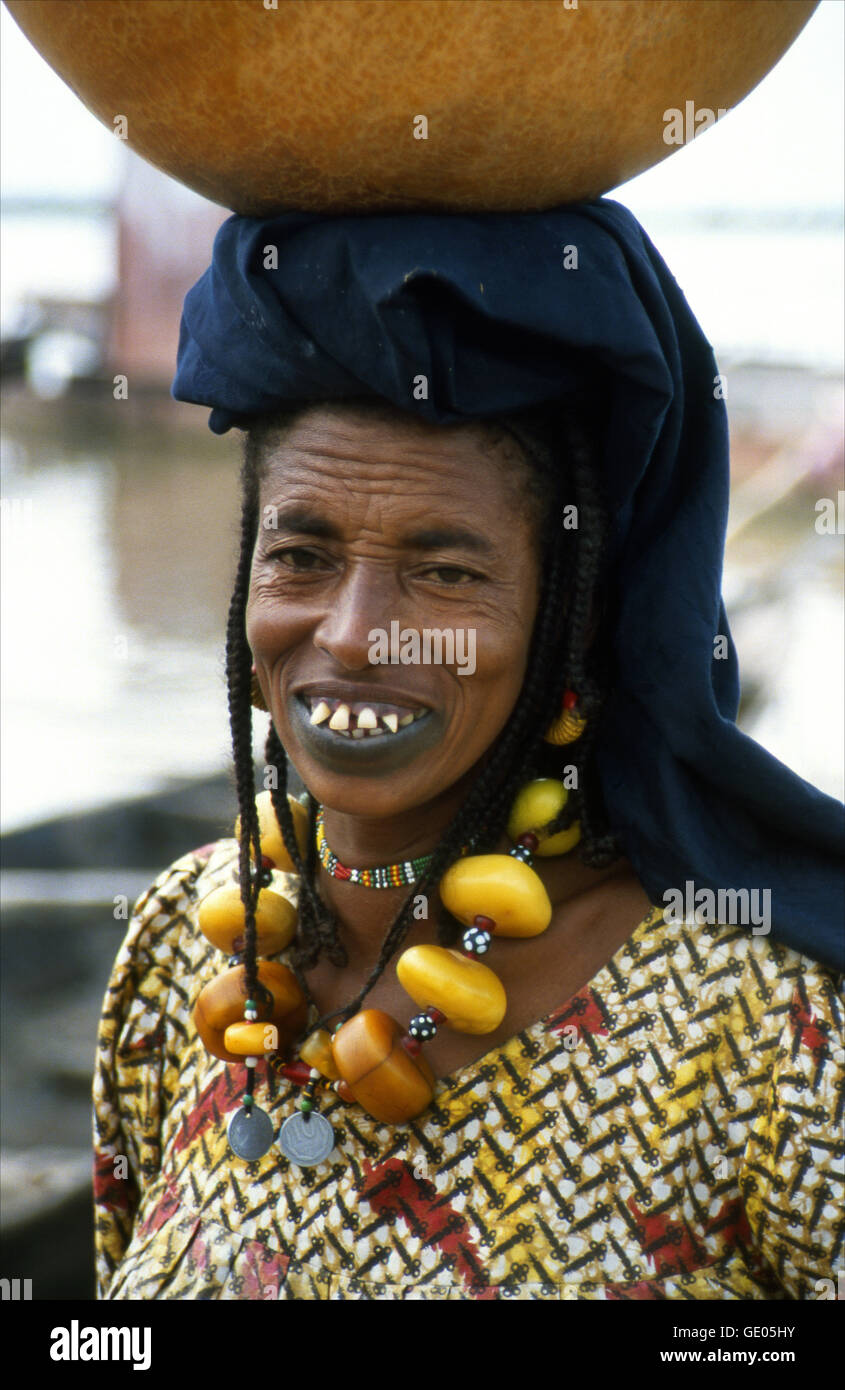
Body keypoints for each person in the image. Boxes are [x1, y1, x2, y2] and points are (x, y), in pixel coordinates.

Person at [92, 199, 844, 1301]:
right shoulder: (179, 948)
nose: (350, 633)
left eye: (444, 573)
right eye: (299, 554)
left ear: (573, 621)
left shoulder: (763, 1034)